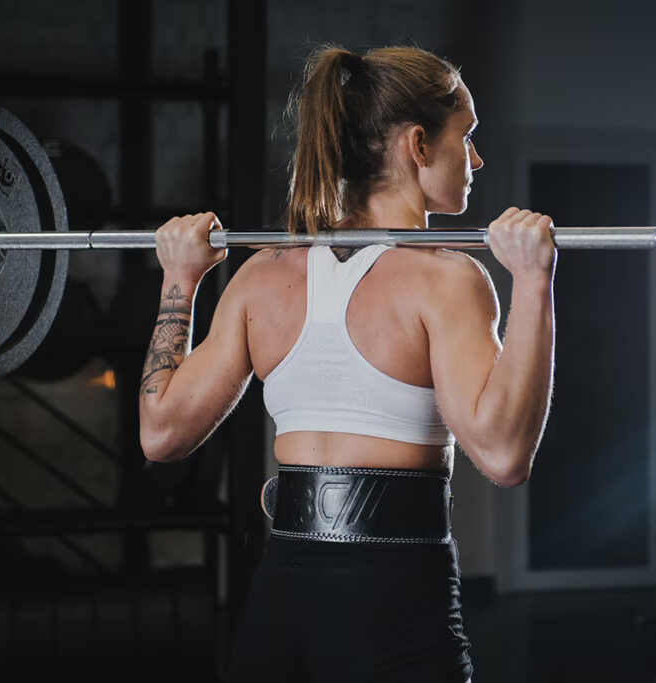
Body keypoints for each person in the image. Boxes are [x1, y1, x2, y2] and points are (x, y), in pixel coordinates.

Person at [139, 44, 556, 683]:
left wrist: (179, 281)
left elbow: (158, 432)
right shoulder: (446, 281)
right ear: (417, 145)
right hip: (395, 604)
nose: (475, 158)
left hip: (280, 604)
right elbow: (504, 456)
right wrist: (533, 281)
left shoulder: (261, 278)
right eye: (466, 136)